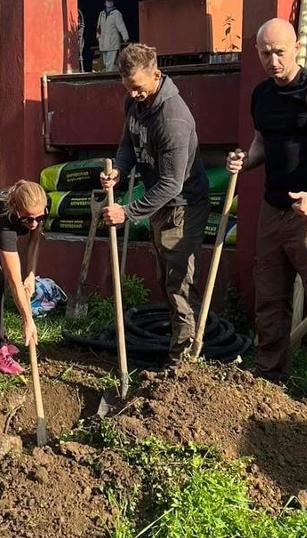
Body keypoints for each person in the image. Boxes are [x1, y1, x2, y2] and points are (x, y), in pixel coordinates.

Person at [226, 18, 307, 406]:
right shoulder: (262, 95)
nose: (273, 60)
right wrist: (244, 160)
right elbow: (262, 143)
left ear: (296, 47)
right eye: (265, 53)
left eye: (280, 52)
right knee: (269, 296)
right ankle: (270, 376)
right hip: (273, 209)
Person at [101, 43, 211, 364]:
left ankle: (184, 360)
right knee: (165, 278)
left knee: (178, 283)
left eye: (138, 88)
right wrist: (120, 171)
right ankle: (179, 348)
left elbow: (172, 183)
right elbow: (128, 144)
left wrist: (127, 211)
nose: (133, 94)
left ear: (156, 75)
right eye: (128, 88)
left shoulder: (173, 118)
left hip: (183, 205)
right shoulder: (134, 103)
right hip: (160, 204)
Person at [0, 180, 47, 374]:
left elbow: (34, 241)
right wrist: (27, 319)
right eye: (29, 219)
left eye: (39, 217)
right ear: (16, 210)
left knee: (0, 281)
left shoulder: (39, 206)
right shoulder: (4, 219)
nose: (34, 223)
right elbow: (14, 280)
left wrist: (30, 274)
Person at [96, 0, 129, 71]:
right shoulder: (102, 13)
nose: (110, 3)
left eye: (111, 1)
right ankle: (109, 73)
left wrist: (125, 36)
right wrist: (98, 36)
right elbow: (99, 26)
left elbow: (121, 25)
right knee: (105, 62)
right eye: (108, 1)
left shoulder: (117, 13)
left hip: (112, 40)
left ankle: (108, 76)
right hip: (103, 40)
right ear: (105, 3)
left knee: (109, 62)